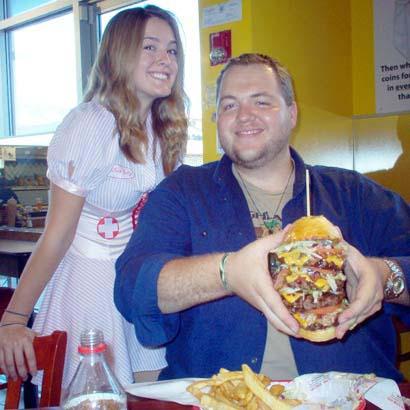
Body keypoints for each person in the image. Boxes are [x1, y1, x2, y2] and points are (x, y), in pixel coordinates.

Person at [114, 53, 410, 383]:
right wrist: (226, 273)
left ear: (292, 113)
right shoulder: (182, 192)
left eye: (261, 101)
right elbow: (131, 288)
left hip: (350, 398)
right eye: (229, 105)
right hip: (221, 401)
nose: (244, 116)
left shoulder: (355, 195)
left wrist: (384, 275)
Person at [0, 5, 188, 389]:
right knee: (96, 393)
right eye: (149, 47)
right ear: (120, 54)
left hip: (134, 278)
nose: (164, 60)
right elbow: (57, 235)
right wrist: (14, 319)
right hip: (90, 277)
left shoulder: (164, 128)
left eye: (171, 50)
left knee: (149, 391)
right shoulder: (92, 123)